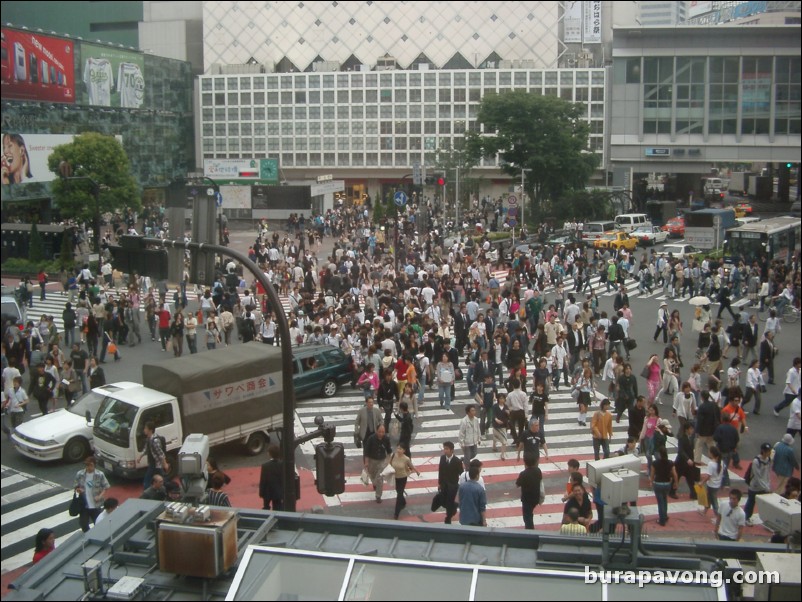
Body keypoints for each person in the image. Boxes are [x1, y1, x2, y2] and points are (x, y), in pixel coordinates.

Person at [73, 455, 110, 532]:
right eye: (87, 465)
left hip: (96, 505)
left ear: (94, 465)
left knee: (98, 523)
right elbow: (75, 486)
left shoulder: (100, 475)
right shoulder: (80, 474)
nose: (88, 467)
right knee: (83, 524)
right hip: (84, 505)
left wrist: (99, 496)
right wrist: (79, 490)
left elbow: (106, 487)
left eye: (90, 465)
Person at [744, 442, 773, 526]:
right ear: (763, 451)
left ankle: (766, 520)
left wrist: (768, 484)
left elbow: (767, 473)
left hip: (764, 487)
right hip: (755, 486)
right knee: (751, 502)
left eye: (769, 451)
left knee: (765, 504)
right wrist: (766, 487)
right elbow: (757, 476)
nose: (769, 452)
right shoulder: (756, 461)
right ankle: (746, 518)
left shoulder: (768, 460)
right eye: (767, 451)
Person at [363, 424, 392, 503]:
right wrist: (366, 462)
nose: (381, 434)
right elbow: (366, 452)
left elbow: (389, 451)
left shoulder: (386, 439)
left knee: (379, 478)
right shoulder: (371, 439)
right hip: (372, 460)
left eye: (383, 432)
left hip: (382, 461)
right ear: (376, 431)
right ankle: (374, 484)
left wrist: (388, 461)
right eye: (379, 432)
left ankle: (378, 495)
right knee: (372, 475)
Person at [390, 444, 420, 519]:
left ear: (404, 451)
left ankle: (396, 513)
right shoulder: (393, 455)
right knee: (398, 491)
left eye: (401, 449)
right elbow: (389, 463)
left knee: (399, 494)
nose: (399, 450)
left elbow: (411, 466)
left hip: (403, 477)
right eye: (398, 448)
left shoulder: (406, 459)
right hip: (395, 477)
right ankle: (403, 502)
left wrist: (417, 471)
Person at [651, 447, 678, 526]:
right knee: (665, 499)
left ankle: (661, 520)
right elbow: (675, 474)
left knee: (660, 502)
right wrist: (676, 483)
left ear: (660, 454)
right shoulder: (670, 463)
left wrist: (651, 481)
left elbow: (652, 474)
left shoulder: (655, 463)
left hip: (658, 483)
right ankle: (665, 516)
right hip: (667, 483)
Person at [138, 421, 169, 490]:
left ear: (150, 430)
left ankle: (146, 492)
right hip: (153, 463)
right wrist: (140, 456)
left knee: (148, 478)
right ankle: (165, 488)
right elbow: (146, 449)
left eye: (146, 428)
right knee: (161, 477)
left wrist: (165, 463)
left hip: (156, 463)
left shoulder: (155, 441)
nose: (144, 430)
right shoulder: (149, 439)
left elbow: (160, 453)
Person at [438, 441, 463, 524]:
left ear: (452, 450)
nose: (445, 450)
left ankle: (448, 518)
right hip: (444, 484)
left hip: (453, 485)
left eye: (447, 449)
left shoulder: (457, 461)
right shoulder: (442, 458)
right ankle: (455, 505)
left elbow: (461, 474)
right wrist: (439, 483)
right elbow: (440, 471)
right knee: (443, 502)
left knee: (449, 502)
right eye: (444, 448)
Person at [515, 454, 543, 530]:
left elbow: (517, 484)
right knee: (530, 514)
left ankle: (530, 531)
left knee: (527, 517)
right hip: (536, 498)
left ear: (525, 463)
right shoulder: (538, 471)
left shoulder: (523, 474)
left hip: (527, 499)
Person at [674, 422, 700, 499]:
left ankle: (693, 494)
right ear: (686, 429)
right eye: (691, 429)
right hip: (681, 463)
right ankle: (672, 491)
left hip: (688, 463)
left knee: (691, 479)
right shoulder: (682, 438)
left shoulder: (690, 438)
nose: (692, 430)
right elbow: (680, 451)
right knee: (677, 477)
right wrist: (687, 459)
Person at [457, 462, 487, 527]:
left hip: (464, 518)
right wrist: (484, 521)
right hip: (475, 519)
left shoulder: (462, 487)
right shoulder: (480, 489)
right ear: (477, 475)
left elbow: (460, 501)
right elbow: (482, 507)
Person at [700, 446, 726, 517]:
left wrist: (702, 482)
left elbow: (708, 476)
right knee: (709, 498)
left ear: (712, 453)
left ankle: (717, 514)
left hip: (711, 485)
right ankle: (705, 511)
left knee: (713, 500)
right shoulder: (721, 462)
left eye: (709, 451)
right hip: (717, 484)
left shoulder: (711, 464)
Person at [259, 444, 284, 510]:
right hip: (278, 491)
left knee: (266, 507)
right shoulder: (282, 464)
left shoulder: (265, 466)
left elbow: (263, 480)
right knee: (278, 507)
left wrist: (261, 492)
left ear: (269, 454)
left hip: (268, 491)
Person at [458, 405, 482, 470]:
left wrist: (479, 438)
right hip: (467, 443)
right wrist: (462, 443)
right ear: (468, 412)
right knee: (468, 457)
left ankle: (464, 459)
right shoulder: (464, 421)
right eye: (472, 410)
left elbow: (478, 429)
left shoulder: (476, 419)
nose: (474, 412)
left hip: (474, 441)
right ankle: (467, 469)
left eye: (474, 410)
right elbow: (461, 433)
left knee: (474, 453)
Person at [492, 392, 510, 460]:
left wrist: (508, 413)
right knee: (495, 436)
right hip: (496, 425)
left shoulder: (506, 407)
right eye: (500, 398)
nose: (502, 400)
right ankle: (494, 446)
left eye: (503, 398)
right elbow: (493, 414)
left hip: (503, 425)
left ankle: (502, 454)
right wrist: (496, 419)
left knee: (504, 441)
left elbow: (509, 416)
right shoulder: (495, 406)